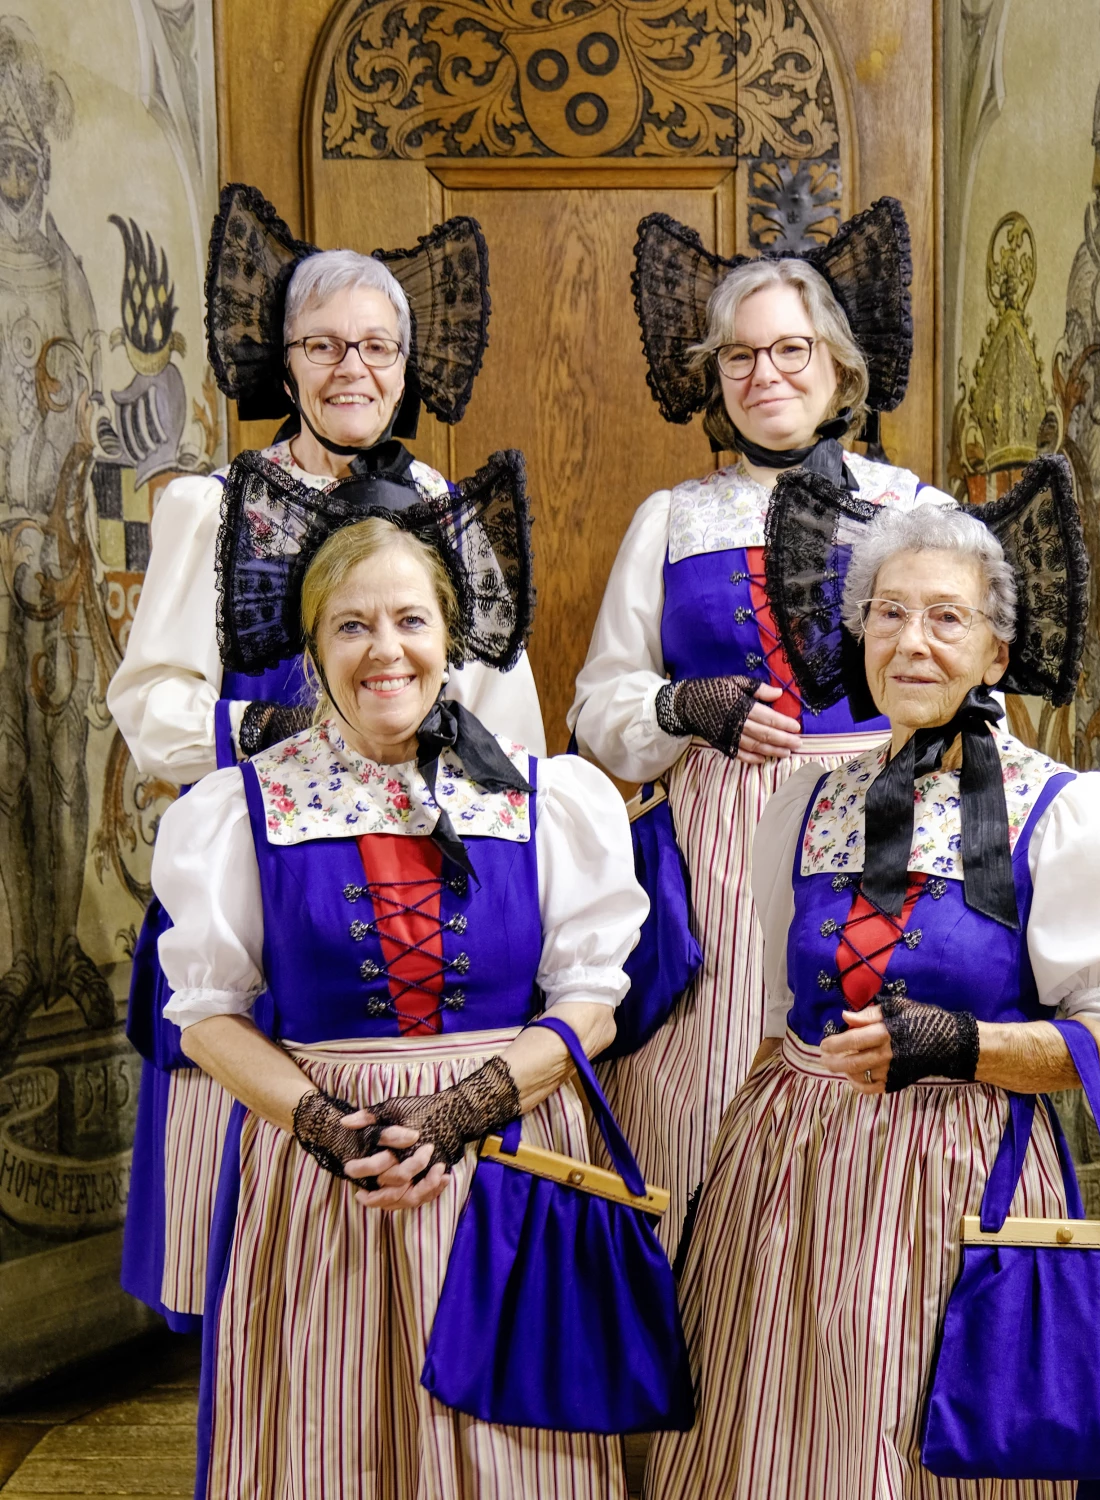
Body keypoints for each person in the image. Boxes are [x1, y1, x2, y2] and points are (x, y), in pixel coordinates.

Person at [647, 482, 1100, 1499]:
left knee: (921, 1437)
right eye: (889, 613)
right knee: (772, 1442)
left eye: (947, 617)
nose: (912, 641)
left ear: (996, 652)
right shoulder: (808, 799)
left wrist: (960, 1045)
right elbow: (779, 1019)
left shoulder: (1067, 815)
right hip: (788, 1184)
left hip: (958, 1174)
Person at [155, 454, 645, 1497]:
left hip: (509, 1157)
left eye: (411, 620)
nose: (387, 650)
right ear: (312, 648)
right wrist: (331, 1127)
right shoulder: (240, 810)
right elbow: (206, 1017)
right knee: (331, 1443)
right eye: (353, 625)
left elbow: (592, 1002)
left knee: (516, 1457)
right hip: (325, 1171)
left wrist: (464, 1110)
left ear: (450, 636)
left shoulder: (546, 799)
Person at [112, 183, 544, 1330]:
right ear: (285, 359)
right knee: (258, 1238)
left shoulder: (447, 507)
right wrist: (290, 741)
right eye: (324, 345)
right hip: (264, 875)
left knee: (428, 1235)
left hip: (424, 872)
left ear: (407, 363)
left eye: (376, 346)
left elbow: (506, 722)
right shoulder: (212, 507)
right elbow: (152, 706)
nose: (352, 367)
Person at [569, 198, 950, 1253]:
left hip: (879, 823)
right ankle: (700, 1322)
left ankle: (844, 1316)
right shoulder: (672, 518)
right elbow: (598, 708)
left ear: (838, 367)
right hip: (717, 843)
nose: (764, 373)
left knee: (854, 1058)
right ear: (716, 376)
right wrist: (681, 707)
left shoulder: (914, 511)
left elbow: (967, 679)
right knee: (705, 1074)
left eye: (790, 349)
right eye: (740, 356)